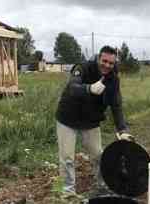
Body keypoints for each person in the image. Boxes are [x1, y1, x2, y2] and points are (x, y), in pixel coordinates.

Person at [55, 45, 133, 195]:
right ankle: (67, 194)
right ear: (99, 58)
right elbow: (72, 87)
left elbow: (116, 105)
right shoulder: (83, 68)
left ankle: (103, 186)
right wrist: (88, 89)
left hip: (90, 121)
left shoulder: (113, 79)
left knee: (98, 155)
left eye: (111, 63)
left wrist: (122, 130)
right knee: (67, 157)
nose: (107, 65)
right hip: (68, 118)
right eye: (104, 61)